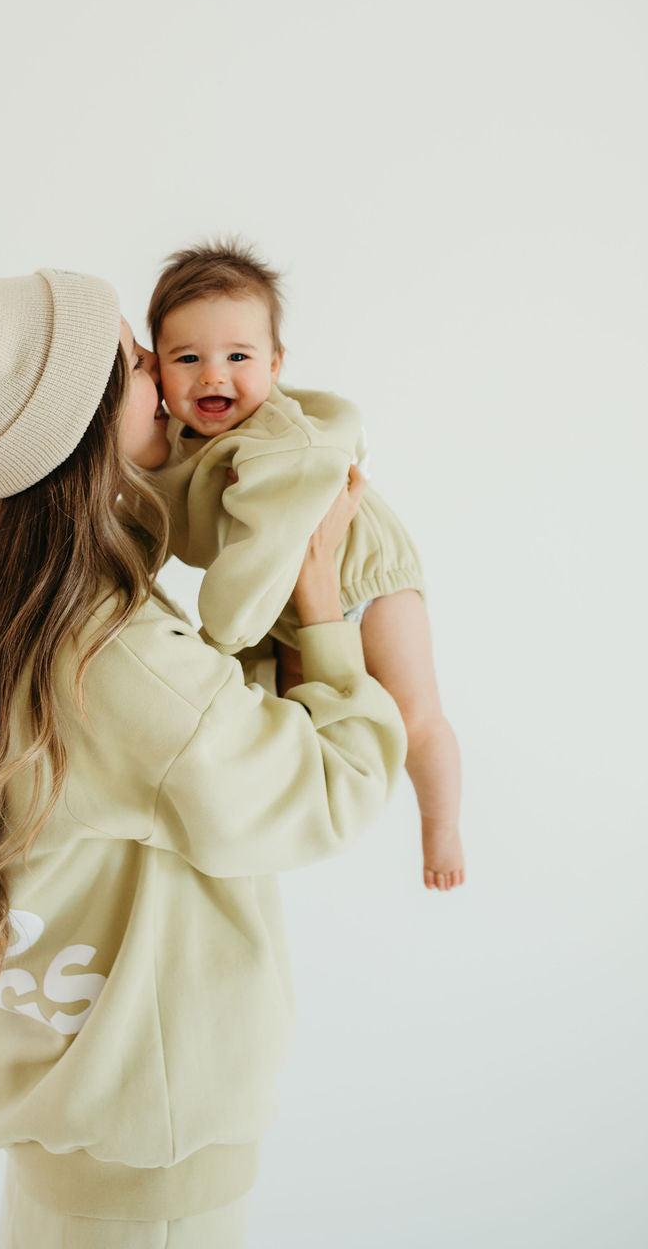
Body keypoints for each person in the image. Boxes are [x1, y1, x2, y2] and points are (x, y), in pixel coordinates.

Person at [0, 266, 409, 1247]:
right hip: (154, 1173)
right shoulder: (124, 657)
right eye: (136, 361)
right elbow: (329, 793)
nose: (164, 378)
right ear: (85, 420)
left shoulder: (27, 609)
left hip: (78, 1142)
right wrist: (322, 605)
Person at [147, 240, 464, 892]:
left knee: (414, 716)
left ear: (276, 363)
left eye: (238, 357)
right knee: (304, 726)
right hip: (293, 600)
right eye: (188, 359)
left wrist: (219, 642)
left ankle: (442, 824)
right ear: (156, 370)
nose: (213, 376)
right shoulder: (177, 441)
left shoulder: (276, 442)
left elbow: (251, 565)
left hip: (365, 576)